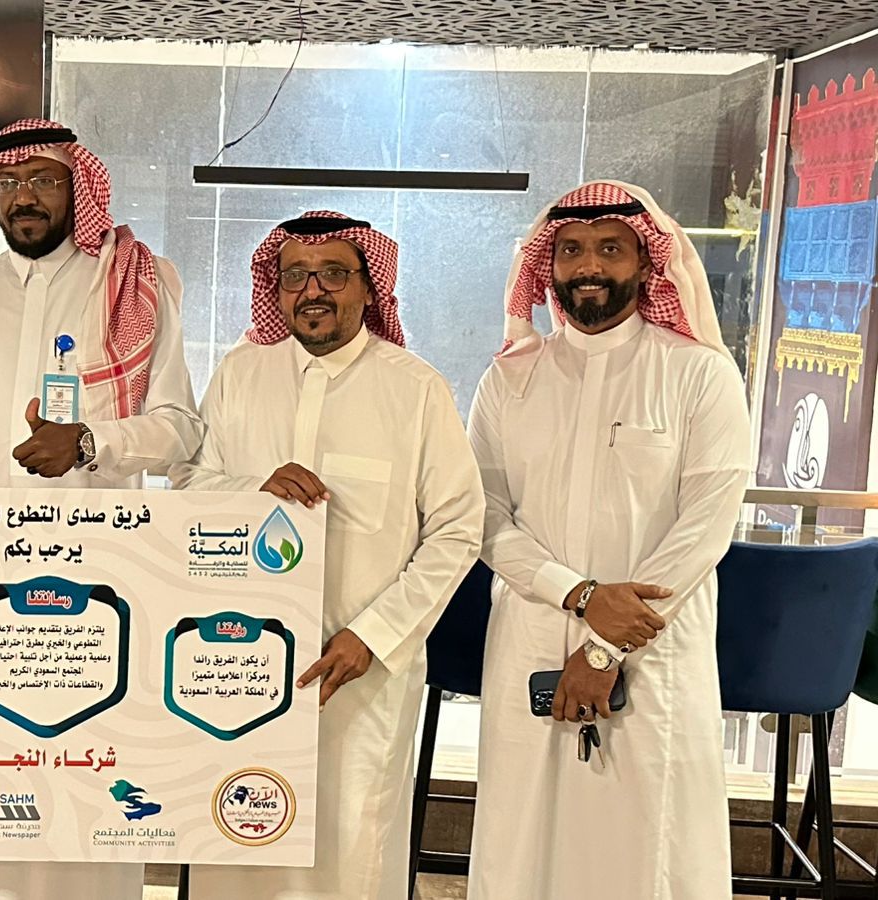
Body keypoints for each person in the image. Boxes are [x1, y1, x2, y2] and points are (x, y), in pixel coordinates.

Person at [0, 119, 203, 900]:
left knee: (90, 794)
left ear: (77, 187)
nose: (26, 197)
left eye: (44, 180)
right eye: (10, 183)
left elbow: (180, 431)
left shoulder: (133, 284)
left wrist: (88, 442)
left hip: (96, 589)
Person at [171, 211, 484, 900]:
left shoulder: (415, 388)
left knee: (351, 854)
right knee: (236, 844)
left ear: (369, 287)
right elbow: (188, 486)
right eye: (295, 276)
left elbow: (458, 527)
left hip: (362, 677)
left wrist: (372, 634)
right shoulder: (241, 372)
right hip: (238, 664)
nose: (313, 290)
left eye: (334, 274)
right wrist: (252, 488)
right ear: (276, 289)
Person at [466, 181, 750, 900]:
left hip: (655, 651)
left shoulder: (699, 374)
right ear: (548, 264)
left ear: (647, 263)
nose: (588, 265)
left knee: (647, 845)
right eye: (570, 250)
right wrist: (578, 594)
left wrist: (601, 649)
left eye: (610, 248)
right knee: (523, 837)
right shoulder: (509, 379)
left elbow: (705, 526)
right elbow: (484, 515)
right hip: (531, 635)